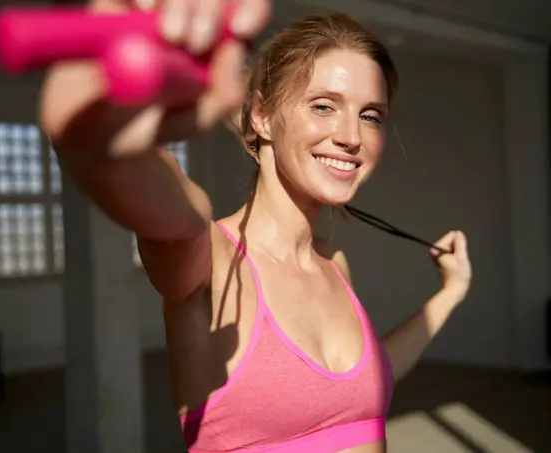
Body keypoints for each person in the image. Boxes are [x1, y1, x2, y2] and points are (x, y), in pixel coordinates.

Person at [40, 0, 472, 451]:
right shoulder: (209, 260)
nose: (352, 136)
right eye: (324, 106)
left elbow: (366, 381)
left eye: (370, 115)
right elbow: (166, 204)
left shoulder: (333, 262)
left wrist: (449, 294)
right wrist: (103, 114)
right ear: (262, 115)